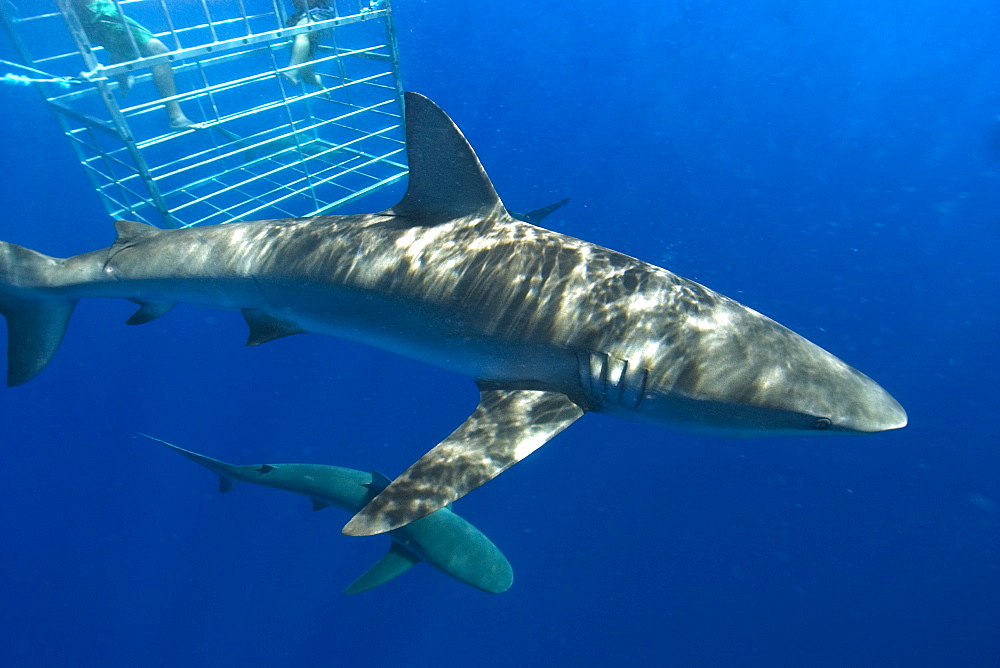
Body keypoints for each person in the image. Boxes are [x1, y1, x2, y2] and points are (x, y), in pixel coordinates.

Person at [71, 0, 200, 130]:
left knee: (123, 47)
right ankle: (176, 117)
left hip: (97, 15)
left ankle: (123, 81)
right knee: (159, 52)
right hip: (100, 14)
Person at [282, 0, 336, 88]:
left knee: (302, 30)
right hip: (304, 16)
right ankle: (319, 83)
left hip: (320, 14)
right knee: (307, 77)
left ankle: (292, 70)